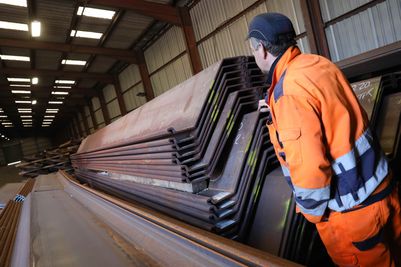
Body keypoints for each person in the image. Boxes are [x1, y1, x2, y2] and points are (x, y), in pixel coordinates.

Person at [247, 12, 401, 266]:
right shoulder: (318, 64)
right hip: (384, 188)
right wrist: (276, 107)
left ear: (262, 49)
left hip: (353, 216)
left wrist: (313, 214)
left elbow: (310, 174)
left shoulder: (288, 92)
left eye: (253, 51)